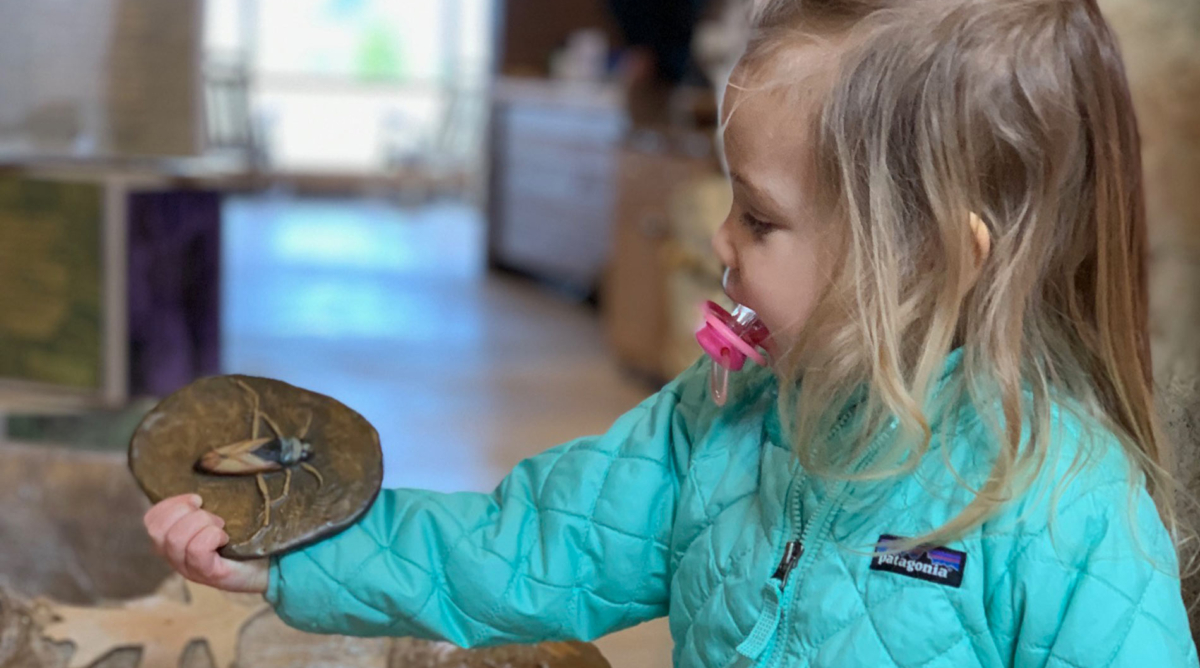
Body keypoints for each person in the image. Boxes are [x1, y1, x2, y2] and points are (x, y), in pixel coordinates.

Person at [143, 0, 1199, 664]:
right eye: (727, 199)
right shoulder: (720, 418)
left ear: (933, 253)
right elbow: (531, 547)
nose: (721, 239)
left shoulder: (1069, 507)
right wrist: (298, 558)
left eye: (763, 218)